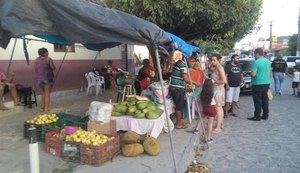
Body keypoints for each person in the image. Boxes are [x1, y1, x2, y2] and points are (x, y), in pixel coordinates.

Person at [169, 50, 201, 129]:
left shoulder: (181, 63)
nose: (192, 62)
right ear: (188, 58)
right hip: (177, 88)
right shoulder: (182, 64)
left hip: (176, 87)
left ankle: (179, 121)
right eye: (192, 60)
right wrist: (195, 83)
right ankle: (179, 124)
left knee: (179, 105)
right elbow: (186, 79)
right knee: (179, 106)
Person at [248, 48, 271, 121]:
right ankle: (265, 115)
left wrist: (249, 73)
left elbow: (254, 74)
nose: (254, 55)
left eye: (254, 54)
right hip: (266, 83)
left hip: (257, 84)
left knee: (257, 101)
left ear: (257, 54)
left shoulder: (256, 62)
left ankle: (257, 116)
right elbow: (270, 73)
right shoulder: (268, 62)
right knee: (265, 100)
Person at [194, 78, 216, 144]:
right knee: (210, 123)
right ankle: (208, 138)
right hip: (212, 108)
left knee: (201, 118)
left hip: (205, 108)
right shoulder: (213, 91)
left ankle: (196, 130)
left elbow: (198, 98)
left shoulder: (201, 91)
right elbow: (215, 100)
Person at [34, 48, 56, 113]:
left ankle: (42, 107)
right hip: (47, 78)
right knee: (47, 93)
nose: (48, 53)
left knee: (43, 92)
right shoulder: (48, 59)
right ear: (45, 53)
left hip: (39, 79)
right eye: (47, 52)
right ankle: (46, 109)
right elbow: (53, 68)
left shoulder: (36, 60)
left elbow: (35, 69)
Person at [210, 54, 227, 133]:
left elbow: (224, 81)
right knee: (218, 108)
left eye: (214, 60)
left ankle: (218, 127)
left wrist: (214, 81)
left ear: (219, 60)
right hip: (216, 89)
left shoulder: (220, 68)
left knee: (218, 108)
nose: (212, 62)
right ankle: (220, 124)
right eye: (212, 60)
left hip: (218, 90)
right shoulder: (215, 67)